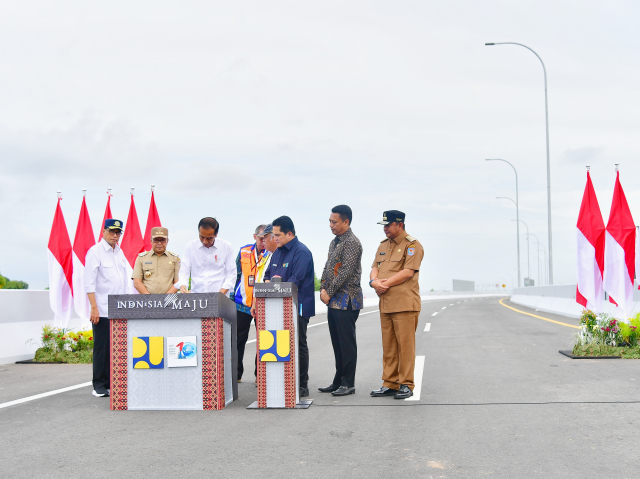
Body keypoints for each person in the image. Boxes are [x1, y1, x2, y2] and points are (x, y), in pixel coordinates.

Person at [369, 210, 424, 400]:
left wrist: (384, 284)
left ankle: (406, 384)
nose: (385, 229)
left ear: (400, 225)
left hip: (404, 304)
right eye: (383, 225)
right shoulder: (383, 245)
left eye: (388, 225)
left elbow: (408, 271)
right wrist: (373, 282)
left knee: (405, 347)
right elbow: (374, 267)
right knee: (389, 347)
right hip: (386, 303)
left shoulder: (412, 245)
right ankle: (390, 383)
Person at [258, 216, 315, 398]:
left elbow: (295, 281)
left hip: (296, 306)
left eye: (277, 235)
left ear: (289, 233)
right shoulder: (278, 251)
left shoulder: (301, 252)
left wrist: (276, 287)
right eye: (273, 235)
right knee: (277, 342)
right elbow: (267, 275)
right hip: (275, 307)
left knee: (298, 343)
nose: (274, 239)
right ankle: (280, 381)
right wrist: (268, 283)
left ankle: (301, 384)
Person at [318, 205, 363, 397]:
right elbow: (328, 266)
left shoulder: (352, 243)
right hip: (333, 301)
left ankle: (348, 382)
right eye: (329, 221)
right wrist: (322, 288)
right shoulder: (334, 242)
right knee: (337, 343)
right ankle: (338, 380)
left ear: (346, 221)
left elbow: (345, 272)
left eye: (334, 221)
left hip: (347, 300)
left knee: (346, 343)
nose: (331, 225)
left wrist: (330, 291)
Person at [84, 219, 129, 398]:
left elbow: (124, 280)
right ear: (103, 231)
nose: (115, 235)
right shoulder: (95, 252)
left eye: (118, 232)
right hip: (102, 308)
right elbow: (89, 282)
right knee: (102, 348)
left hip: (119, 308)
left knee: (116, 348)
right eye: (112, 232)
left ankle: (111, 382)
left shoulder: (120, 252)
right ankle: (99, 385)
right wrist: (94, 307)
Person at [231, 224, 271, 382]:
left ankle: (260, 376)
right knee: (237, 340)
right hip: (242, 304)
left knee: (263, 340)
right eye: (261, 238)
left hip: (263, 304)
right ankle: (236, 375)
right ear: (255, 237)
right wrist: (232, 298)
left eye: (265, 239)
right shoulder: (243, 251)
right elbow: (235, 275)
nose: (263, 242)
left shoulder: (272, 253)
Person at [177, 217, 236, 294]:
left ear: (216, 235)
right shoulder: (190, 247)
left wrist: (220, 293)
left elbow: (231, 273)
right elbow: (184, 271)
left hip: (221, 296)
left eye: (209, 238)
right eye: (201, 237)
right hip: (196, 296)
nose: (205, 241)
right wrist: (183, 286)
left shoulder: (226, 247)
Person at [132, 227, 180, 294]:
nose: (159, 243)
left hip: (169, 301)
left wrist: (165, 298)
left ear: (167, 241)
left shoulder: (174, 258)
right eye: (156, 240)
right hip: (147, 300)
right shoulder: (141, 258)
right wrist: (150, 299)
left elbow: (178, 282)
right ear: (151, 240)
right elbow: (137, 282)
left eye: (162, 240)